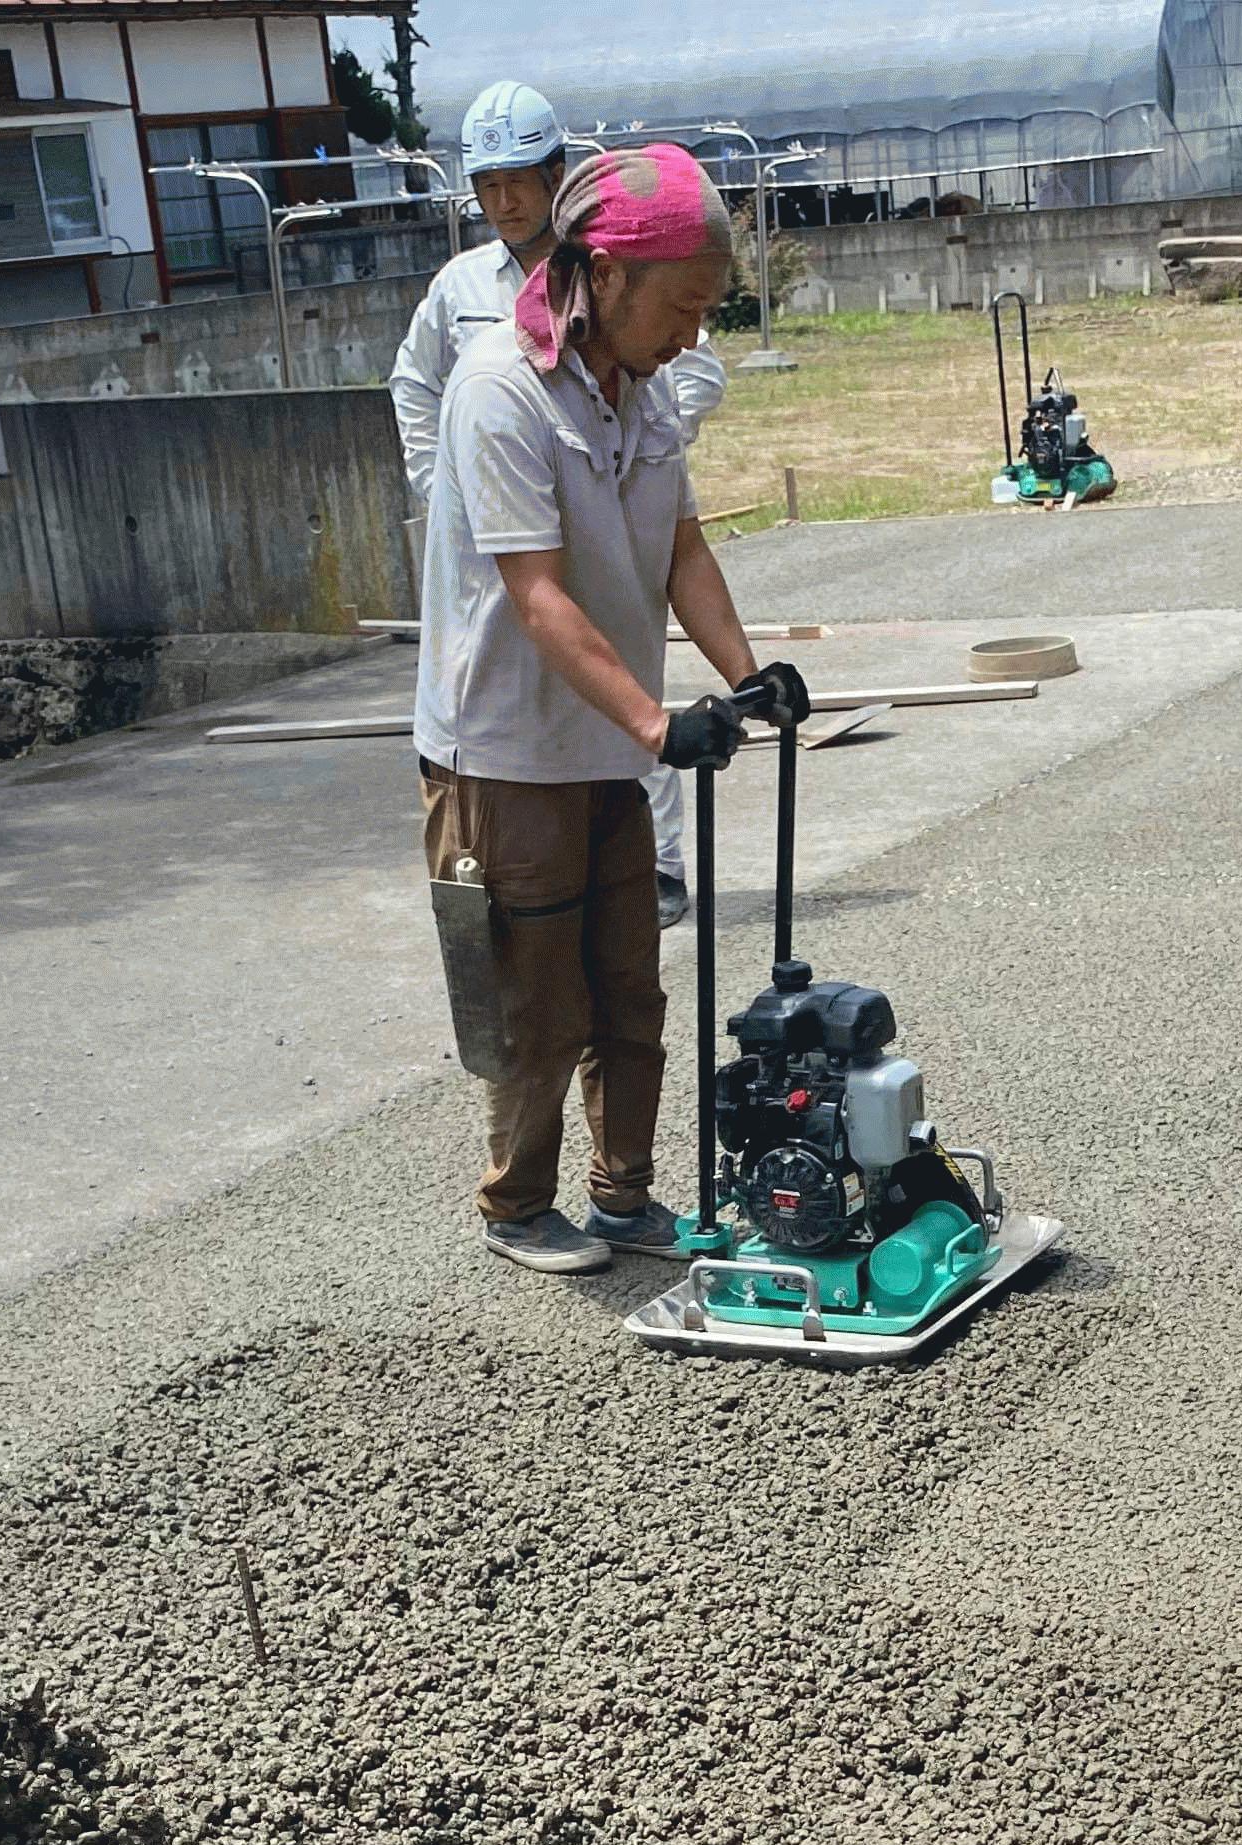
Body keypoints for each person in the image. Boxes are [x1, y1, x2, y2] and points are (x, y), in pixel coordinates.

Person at [414, 145, 810, 1275]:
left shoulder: (645, 393)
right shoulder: (500, 389)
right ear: (608, 272)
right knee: (539, 1000)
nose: (692, 333)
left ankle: (622, 1197)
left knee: (630, 987)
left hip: (603, 742)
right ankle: (516, 1209)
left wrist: (746, 675)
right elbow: (535, 591)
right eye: (682, 305)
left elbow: (682, 548)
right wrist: (655, 725)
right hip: (503, 751)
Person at [388, 80, 566, 547]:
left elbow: (691, 372)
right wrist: (438, 484)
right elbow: (414, 381)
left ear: (557, 176)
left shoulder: (603, 270)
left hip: (588, 517)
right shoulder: (459, 284)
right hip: (490, 522)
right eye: (489, 187)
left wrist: (636, 468)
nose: (504, 203)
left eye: (518, 183)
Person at [644, 337, 728, 931]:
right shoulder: (461, 292)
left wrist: (750, 679)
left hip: (621, 567)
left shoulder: (650, 416)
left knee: (631, 717)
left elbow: (687, 554)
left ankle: (660, 864)